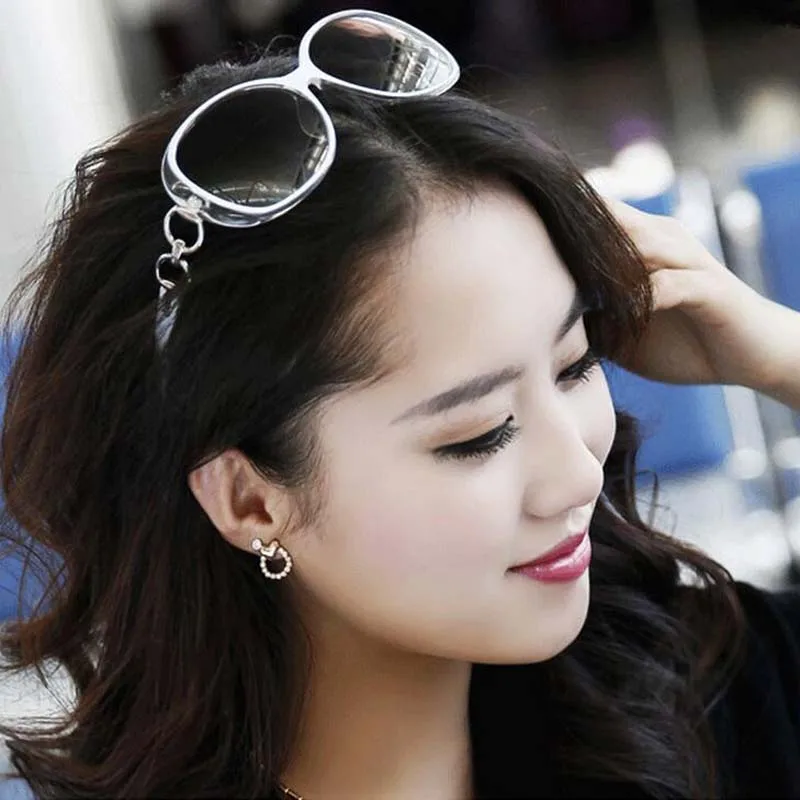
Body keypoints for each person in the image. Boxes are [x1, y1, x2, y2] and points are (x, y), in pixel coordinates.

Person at [1, 9, 799, 799]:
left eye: (575, 364)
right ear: (250, 500)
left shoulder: (701, 698)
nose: (577, 476)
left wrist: (780, 354)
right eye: (477, 435)